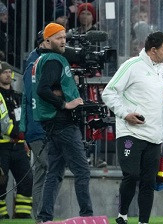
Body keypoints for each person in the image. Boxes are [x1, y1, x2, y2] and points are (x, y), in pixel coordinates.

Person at [102, 31, 163, 224]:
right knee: (131, 175)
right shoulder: (132, 66)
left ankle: (143, 221)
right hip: (130, 132)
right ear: (153, 50)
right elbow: (108, 93)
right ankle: (122, 215)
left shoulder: (162, 70)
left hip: (155, 136)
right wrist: (125, 114)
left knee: (149, 182)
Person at [33, 22, 93, 223]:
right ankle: (87, 215)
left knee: (55, 173)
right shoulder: (53, 60)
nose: (63, 41)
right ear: (47, 40)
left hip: (52, 124)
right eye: (58, 38)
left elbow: (45, 88)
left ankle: (45, 217)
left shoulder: (46, 59)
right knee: (82, 171)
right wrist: (65, 104)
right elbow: (43, 89)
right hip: (63, 123)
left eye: (64, 38)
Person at [18, 31, 48, 220]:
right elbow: (30, 99)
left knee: (45, 172)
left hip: (45, 127)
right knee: (45, 167)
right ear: (43, 43)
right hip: (37, 128)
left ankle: (43, 215)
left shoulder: (50, 60)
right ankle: (41, 217)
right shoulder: (33, 65)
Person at [0, 61, 33, 219]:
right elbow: (4, 123)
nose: (8, 74)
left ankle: (23, 216)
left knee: (27, 180)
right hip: (2, 147)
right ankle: (2, 217)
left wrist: (25, 138)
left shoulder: (17, 96)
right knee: (1, 183)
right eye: (4, 72)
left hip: (19, 147)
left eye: (9, 72)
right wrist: (17, 133)